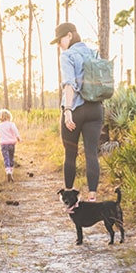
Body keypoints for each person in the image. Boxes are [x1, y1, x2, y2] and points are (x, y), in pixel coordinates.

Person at [51, 22, 103, 202]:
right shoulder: (94, 52)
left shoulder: (67, 55)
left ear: (70, 36)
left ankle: (69, 193)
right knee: (91, 153)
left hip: (77, 109)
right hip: (96, 108)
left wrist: (67, 111)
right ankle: (92, 196)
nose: (59, 45)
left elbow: (69, 84)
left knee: (70, 153)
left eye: (60, 40)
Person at [0, 109, 22, 183]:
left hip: (3, 144)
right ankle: (11, 172)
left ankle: (8, 172)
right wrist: (18, 138)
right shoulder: (11, 124)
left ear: (0, 118)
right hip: (11, 144)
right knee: (11, 158)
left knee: (6, 158)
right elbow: (16, 131)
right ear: (9, 116)